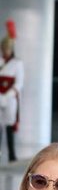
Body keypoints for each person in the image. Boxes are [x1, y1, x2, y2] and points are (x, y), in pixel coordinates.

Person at [0, 19, 23, 162]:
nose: (5, 51)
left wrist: (7, 96)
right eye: (4, 48)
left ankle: (12, 155)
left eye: (8, 48)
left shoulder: (17, 63)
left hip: (10, 99)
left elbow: (19, 83)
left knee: (9, 126)